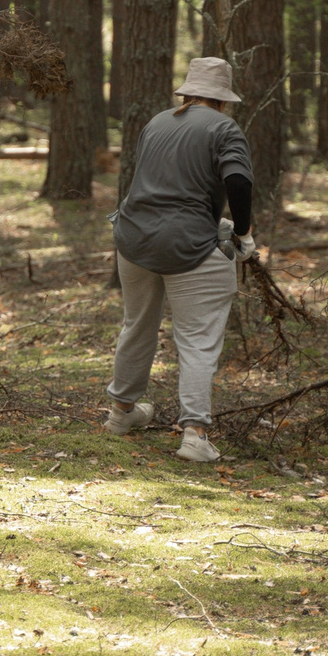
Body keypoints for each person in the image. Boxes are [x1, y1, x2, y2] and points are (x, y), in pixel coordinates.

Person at [104, 57, 255, 462]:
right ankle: (194, 435)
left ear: (188, 92)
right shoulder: (224, 128)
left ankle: (121, 413)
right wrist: (242, 233)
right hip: (189, 244)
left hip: (134, 237)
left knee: (137, 325)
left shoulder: (157, 122)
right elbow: (238, 181)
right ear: (223, 99)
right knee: (198, 339)